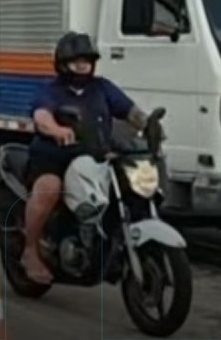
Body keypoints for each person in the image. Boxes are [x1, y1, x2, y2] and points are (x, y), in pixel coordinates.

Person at [21, 32, 149, 284]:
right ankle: (30, 251)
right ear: (62, 63)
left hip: (95, 154)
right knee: (49, 187)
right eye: (76, 60)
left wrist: (147, 124)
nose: (82, 65)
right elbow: (41, 115)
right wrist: (56, 130)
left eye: (87, 60)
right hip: (55, 156)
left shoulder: (102, 88)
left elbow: (129, 110)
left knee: (130, 183)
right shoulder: (51, 90)